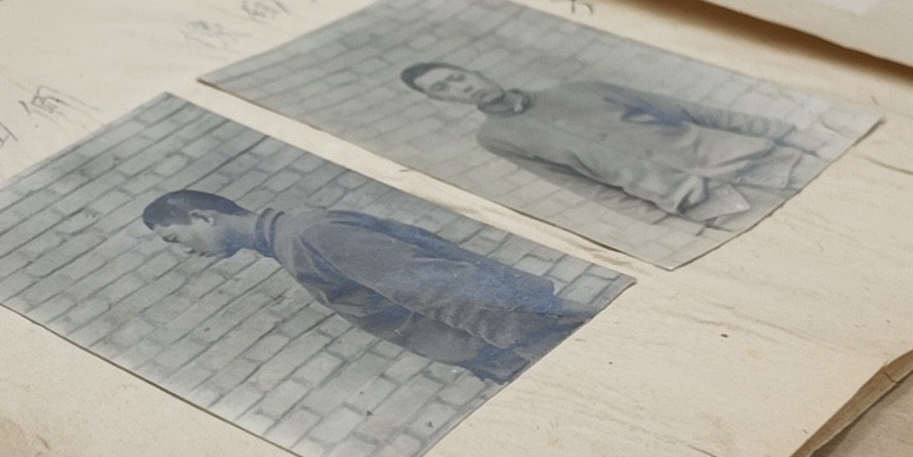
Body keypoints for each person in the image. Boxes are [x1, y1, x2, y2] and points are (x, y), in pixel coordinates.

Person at [141, 190, 596, 384]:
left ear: (203, 217)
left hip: (526, 341)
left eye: (175, 239)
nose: (184, 252)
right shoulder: (291, 239)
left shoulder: (307, 235)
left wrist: (538, 348)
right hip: (507, 347)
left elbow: (442, 286)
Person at [399, 61, 819, 232]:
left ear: (474, 71)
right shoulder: (496, 139)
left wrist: (791, 135)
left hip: (761, 161)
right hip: (711, 207)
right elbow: (583, 186)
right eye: (443, 89)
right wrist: (668, 222)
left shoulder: (579, 89)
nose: (460, 88)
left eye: (456, 77)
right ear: (441, 101)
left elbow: (694, 111)